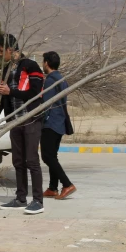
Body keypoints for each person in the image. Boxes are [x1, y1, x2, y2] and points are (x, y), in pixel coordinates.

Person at [0, 34, 46, 214]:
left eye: (2, 51)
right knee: (18, 161)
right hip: (14, 121)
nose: (1, 55)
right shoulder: (6, 70)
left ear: (10, 49)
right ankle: (20, 197)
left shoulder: (30, 66)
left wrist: (11, 91)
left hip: (30, 119)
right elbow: (1, 99)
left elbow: (35, 92)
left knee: (32, 160)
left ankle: (38, 200)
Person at [41, 51, 76, 199]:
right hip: (60, 122)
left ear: (47, 63)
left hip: (51, 123)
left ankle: (67, 184)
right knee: (52, 155)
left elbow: (46, 104)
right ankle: (52, 188)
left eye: (43, 61)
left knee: (47, 156)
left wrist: (41, 120)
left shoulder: (50, 80)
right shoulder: (62, 79)